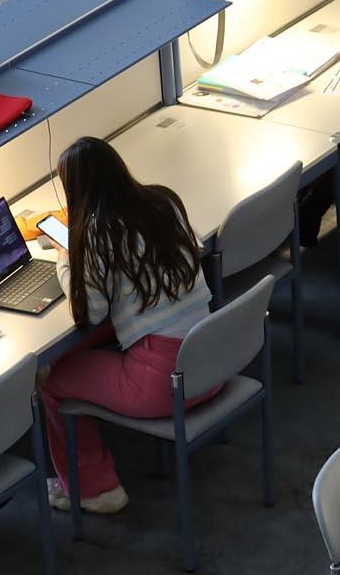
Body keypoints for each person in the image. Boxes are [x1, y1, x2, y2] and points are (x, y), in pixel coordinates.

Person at [40, 137, 213, 515]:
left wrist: (66, 255)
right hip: (212, 361)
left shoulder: (100, 235)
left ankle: (94, 489)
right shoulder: (164, 201)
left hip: (165, 383)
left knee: (50, 377)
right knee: (90, 347)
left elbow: (88, 313)